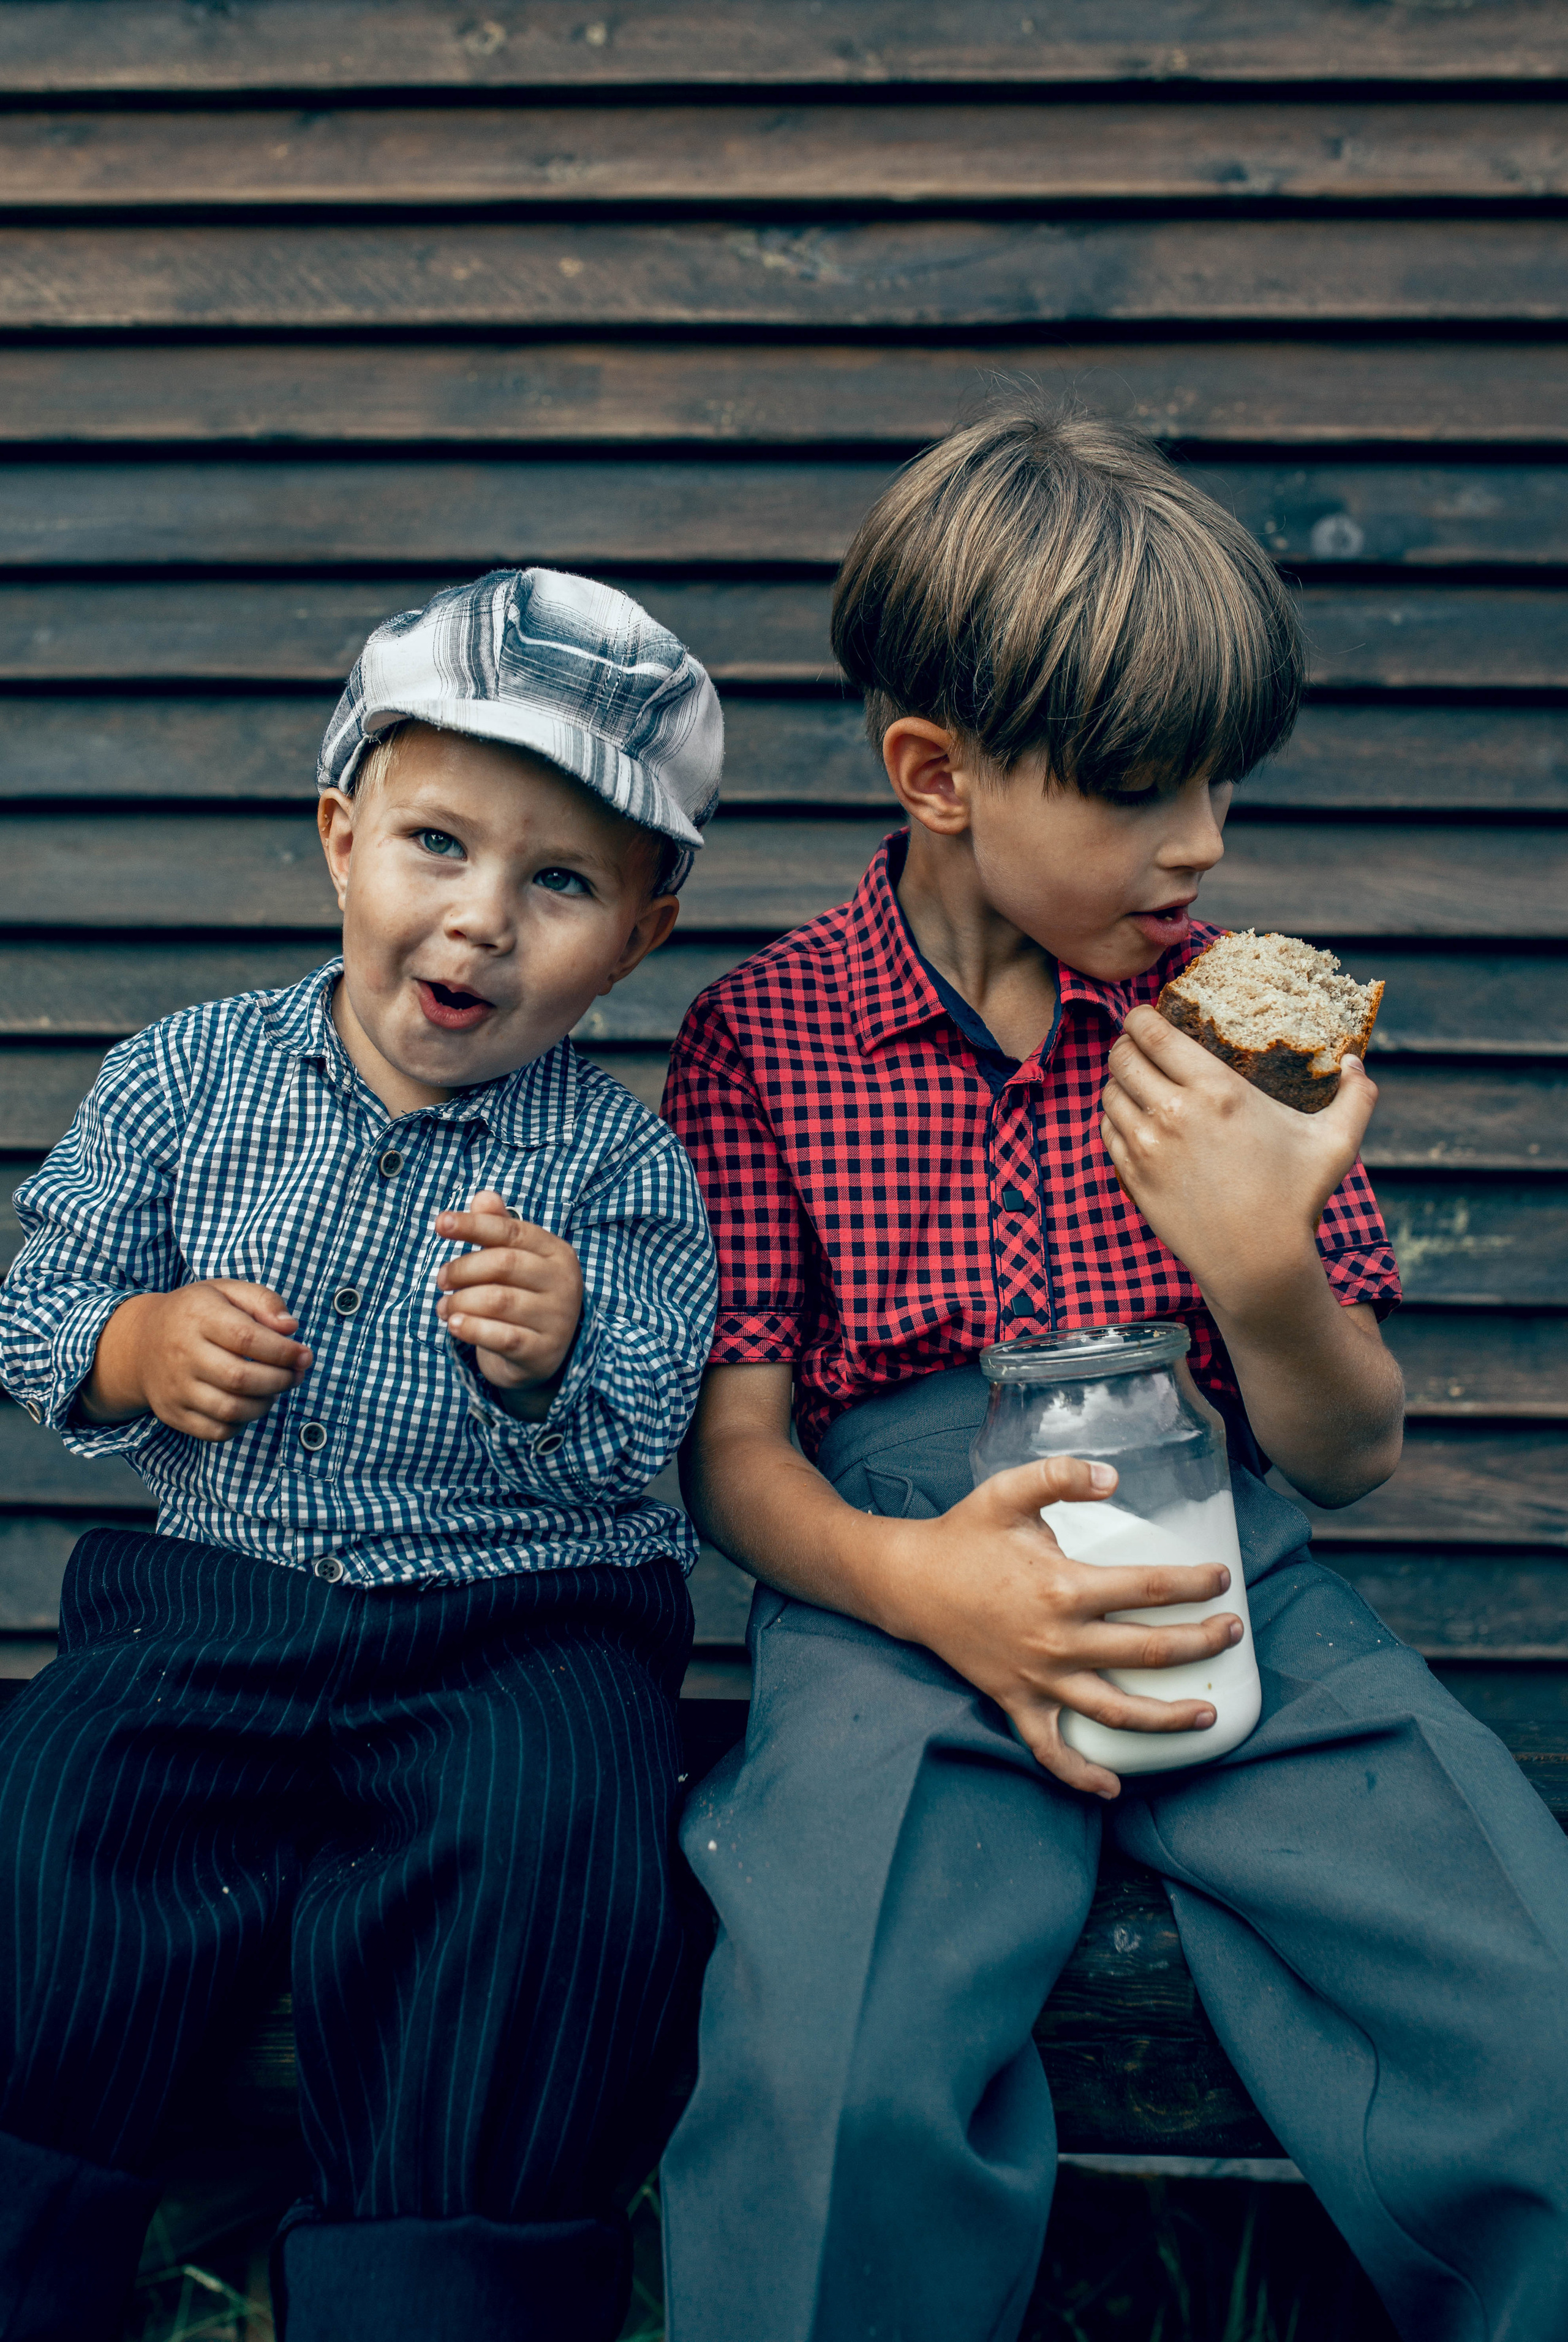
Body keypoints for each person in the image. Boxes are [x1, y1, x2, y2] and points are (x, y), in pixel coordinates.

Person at [658, 412, 1568, 2342]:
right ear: (940, 776)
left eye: (1226, 782)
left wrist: (1258, 1264)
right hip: (897, 1580)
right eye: (1148, 787)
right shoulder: (766, 1036)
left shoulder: (1237, 1030)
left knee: (1525, 1988)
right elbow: (734, 1454)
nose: (1204, 842)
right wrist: (919, 1585)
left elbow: (1349, 1455)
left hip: (1229, 1552)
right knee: (830, 2058)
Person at [0, 568, 721, 2342]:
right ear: (340, 836)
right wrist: (137, 1348)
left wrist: (562, 1361)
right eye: (437, 845)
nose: (479, 923)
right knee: (57, 1820)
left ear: (638, 933)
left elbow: (658, 1442)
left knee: (553, 1861)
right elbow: (38, 1312)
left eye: (558, 882)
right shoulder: (184, 1078)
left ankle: (442, 2290)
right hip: (214, 1595)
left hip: (519, 1626)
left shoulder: (622, 1171)